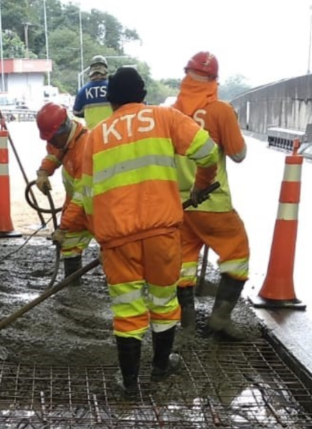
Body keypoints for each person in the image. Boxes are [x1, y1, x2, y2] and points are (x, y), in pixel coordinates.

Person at [76, 66, 219, 395]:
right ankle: (160, 367)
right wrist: (201, 184)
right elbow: (208, 151)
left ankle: (129, 382)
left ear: (111, 102)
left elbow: (87, 196)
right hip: (162, 233)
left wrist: (102, 235)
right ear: (143, 96)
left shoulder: (96, 135)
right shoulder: (165, 118)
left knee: (127, 309)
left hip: (117, 240)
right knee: (164, 301)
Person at [173, 51, 250, 339]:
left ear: (186, 75)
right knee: (237, 254)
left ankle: (187, 323)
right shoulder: (220, 110)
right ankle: (220, 319)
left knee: (184, 262)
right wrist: (231, 123)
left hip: (180, 204)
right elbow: (239, 154)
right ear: (214, 80)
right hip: (211, 201)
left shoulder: (172, 113)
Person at [34, 102, 92, 281]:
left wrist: (62, 228)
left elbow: (81, 198)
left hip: (97, 207)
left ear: (63, 130)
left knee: (113, 248)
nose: (50, 142)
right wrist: (44, 172)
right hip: (78, 202)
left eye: (52, 138)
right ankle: (73, 284)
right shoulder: (62, 140)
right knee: (69, 243)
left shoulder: (84, 149)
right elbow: (54, 154)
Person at [72, 55, 113, 129]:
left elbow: (76, 112)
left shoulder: (83, 91)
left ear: (91, 72)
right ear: (105, 71)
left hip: (92, 133)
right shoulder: (113, 87)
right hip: (112, 131)